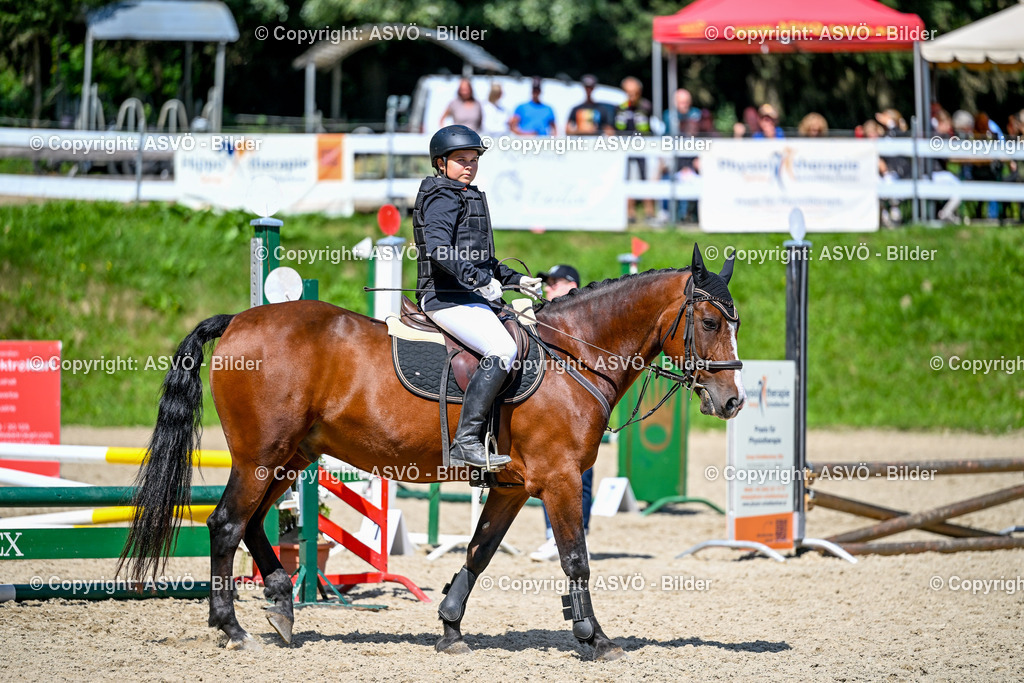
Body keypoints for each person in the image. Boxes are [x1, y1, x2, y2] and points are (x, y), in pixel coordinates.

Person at [412, 125, 544, 468]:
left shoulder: (465, 194)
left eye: (473, 160)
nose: (469, 166)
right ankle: (467, 441)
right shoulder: (441, 196)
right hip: (444, 296)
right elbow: (440, 250)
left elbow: (481, 259)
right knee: (503, 348)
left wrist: (517, 280)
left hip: (467, 295)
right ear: (441, 163)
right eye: (460, 160)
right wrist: (479, 281)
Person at [529, 264, 594, 562]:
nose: (547, 288)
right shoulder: (546, 318)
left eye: (553, 283)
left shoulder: (589, 322)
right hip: (555, 408)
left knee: (580, 476)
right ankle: (556, 537)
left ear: (571, 284)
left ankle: (574, 536)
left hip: (582, 410)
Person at [615, 76, 655, 223]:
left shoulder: (646, 106)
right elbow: (618, 130)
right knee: (628, 179)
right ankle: (629, 213)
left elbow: (648, 129)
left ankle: (649, 212)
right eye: (628, 93)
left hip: (643, 148)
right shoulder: (620, 108)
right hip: (625, 149)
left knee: (646, 179)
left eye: (634, 93)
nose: (631, 96)